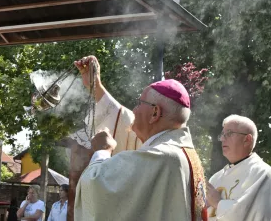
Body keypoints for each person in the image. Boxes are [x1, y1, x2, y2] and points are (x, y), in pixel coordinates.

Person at [74, 56, 207, 221]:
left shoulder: (162, 157)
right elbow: (125, 120)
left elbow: (94, 186)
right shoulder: (180, 151)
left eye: (138, 103)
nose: (134, 110)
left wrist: (102, 151)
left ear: (155, 113)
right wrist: (96, 86)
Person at [206, 115, 271, 220]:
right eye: (222, 134)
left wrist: (218, 203)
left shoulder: (262, 173)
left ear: (247, 139)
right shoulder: (216, 178)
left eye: (229, 133)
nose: (222, 139)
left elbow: (254, 214)